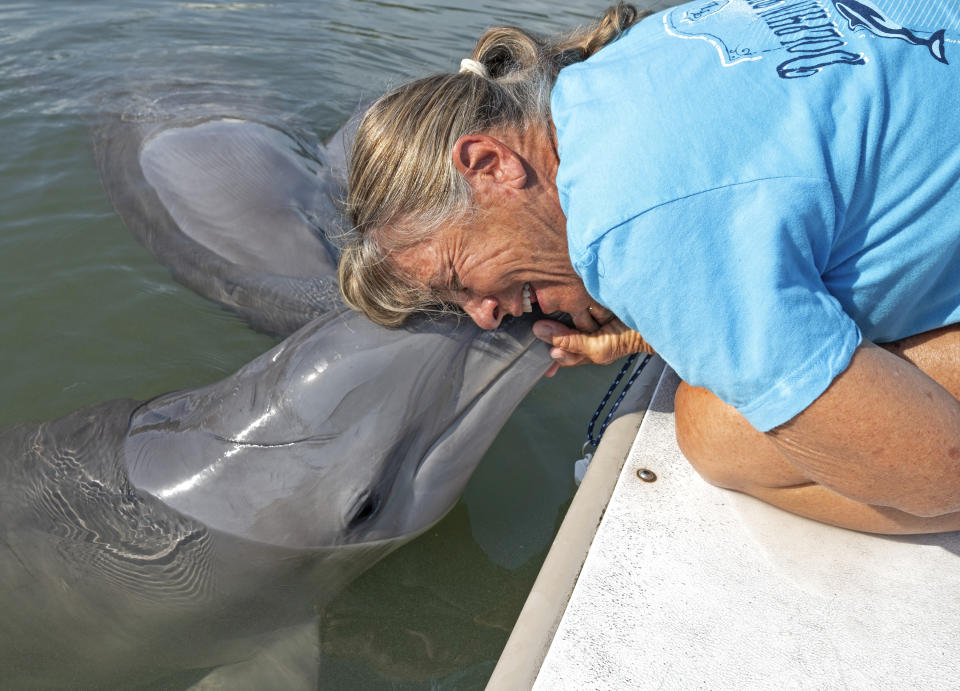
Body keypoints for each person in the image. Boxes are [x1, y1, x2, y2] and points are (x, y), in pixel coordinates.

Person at [337, 1, 960, 534]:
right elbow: (746, 200)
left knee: (716, 431)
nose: (482, 314)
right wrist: (647, 330)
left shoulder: (625, 228)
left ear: (490, 163)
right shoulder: (630, 60)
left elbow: (936, 470)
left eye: (455, 277)